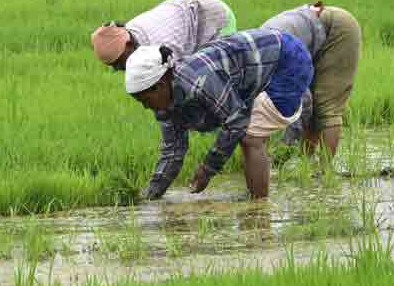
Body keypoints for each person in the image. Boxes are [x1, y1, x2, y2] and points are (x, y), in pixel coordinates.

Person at [126, 28, 314, 201]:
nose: (146, 107)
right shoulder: (165, 105)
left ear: (159, 86)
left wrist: (208, 169)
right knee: (252, 130)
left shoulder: (200, 81)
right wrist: (150, 196)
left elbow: (236, 122)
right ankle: (256, 194)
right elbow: (173, 151)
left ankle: (258, 210)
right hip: (255, 70)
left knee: (250, 138)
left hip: (287, 60)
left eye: (145, 100)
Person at [261, 2, 362, 156]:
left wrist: (285, 149)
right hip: (313, 26)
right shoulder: (257, 60)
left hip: (337, 28)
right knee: (312, 103)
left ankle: (324, 168)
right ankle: (306, 161)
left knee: (327, 107)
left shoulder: (273, 59)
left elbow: (305, 100)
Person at [91, 0, 237, 71]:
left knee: (216, 75)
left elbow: (183, 79)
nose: (118, 69)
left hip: (214, 18)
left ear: (128, 45)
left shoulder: (161, 48)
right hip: (190, 15)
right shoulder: (126, 33)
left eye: (118, 63)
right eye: (113, 66)